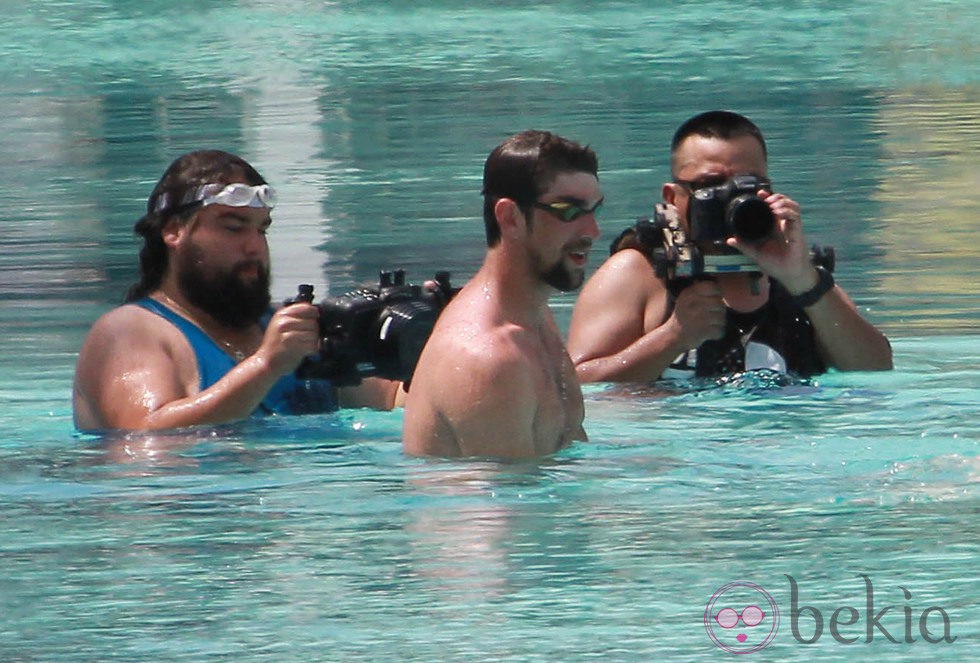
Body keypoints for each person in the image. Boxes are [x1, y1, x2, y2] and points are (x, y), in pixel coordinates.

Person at [73, 150, 398, 431]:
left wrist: (422, 333)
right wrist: (266, 366)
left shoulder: (290, 334)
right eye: (233, 227)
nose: (254, 246)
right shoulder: (130, 331)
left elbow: (396, 400)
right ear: (174, 231)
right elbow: (145, 438)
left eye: (262, 229)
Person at [567, 110, 892, 383]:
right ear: (672, 197)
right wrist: (673, 337)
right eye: (710, 185)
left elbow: (876, 371)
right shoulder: (638, 272)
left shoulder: (800, 277)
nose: (731, 199)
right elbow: (577, 383)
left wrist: (804, 280)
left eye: (748, 185)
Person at [402, 130, 603, 459]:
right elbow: (506, 505)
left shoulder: (535, 317)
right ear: (510, 218)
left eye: (595, 210)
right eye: (569, 212)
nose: (593, 231)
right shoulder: (490, 359)